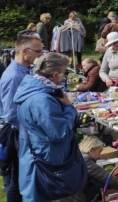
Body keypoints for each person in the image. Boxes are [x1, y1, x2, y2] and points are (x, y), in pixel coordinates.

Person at [15, 52, 81, 201]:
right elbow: (59, 133)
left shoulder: (35, 90)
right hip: (45, 160)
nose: (65, 77)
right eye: (64, 73)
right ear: (55, 74)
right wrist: (69, 108)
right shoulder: (42, 99)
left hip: (36, 155)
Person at [0, 34, 43, 199]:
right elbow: (11, 113)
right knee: (18, 180)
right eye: (38, 51)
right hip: (19, 133)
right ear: (24, 51)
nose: (41, 55)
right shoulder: (16, 76)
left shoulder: (23, 71)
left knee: (21, 178)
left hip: (22, 132)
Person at [63, 136, 118, 202]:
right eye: (99, 152)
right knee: (102, 184)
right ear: (91, 150)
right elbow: (108, 179)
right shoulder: (85, 160)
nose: (100, 157)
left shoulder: (74, 156)